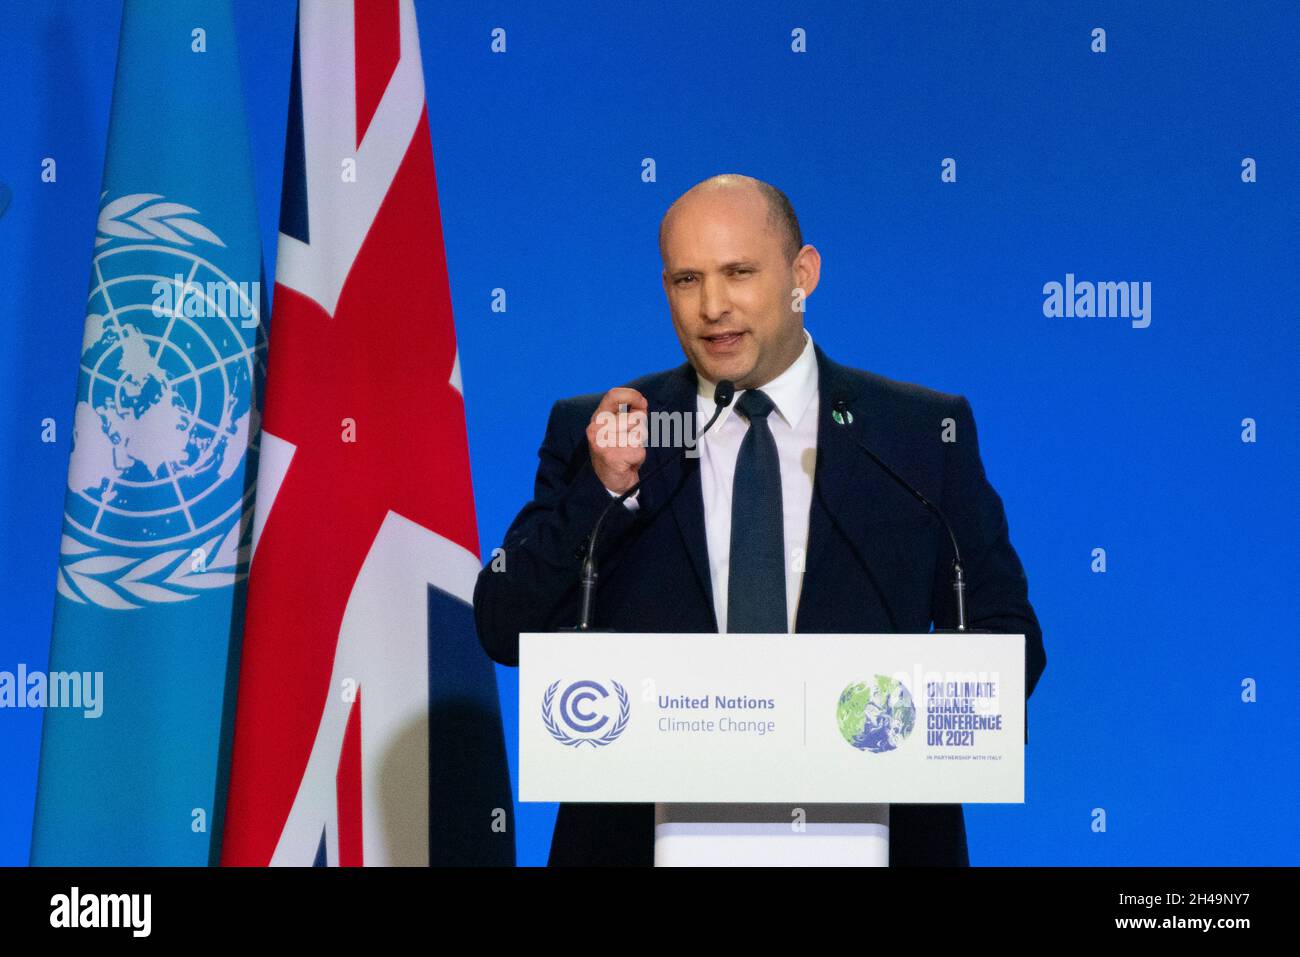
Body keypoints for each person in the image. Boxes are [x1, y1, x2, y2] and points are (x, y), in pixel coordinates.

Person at [473, 173, 1047, 866]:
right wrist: (599, 488)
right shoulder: (613, 429)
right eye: (687, 280)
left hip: (872, 839)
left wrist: (884, 722)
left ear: (802, 275)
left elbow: (1008, 637)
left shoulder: (919, 436)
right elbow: (504, 624)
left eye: (738, 272)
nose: (713, 306)